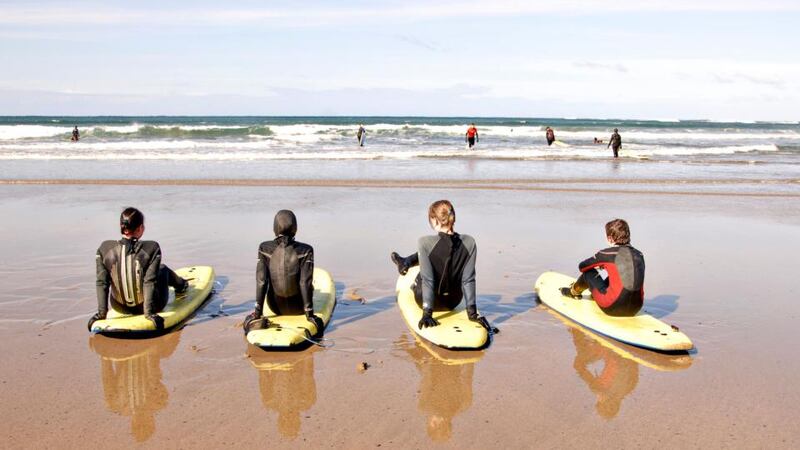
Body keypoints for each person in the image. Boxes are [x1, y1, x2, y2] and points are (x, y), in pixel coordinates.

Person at [390, 200, 497, 333]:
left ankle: (405, 262)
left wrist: (427, 314)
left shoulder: (424, 242)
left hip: (425, 300)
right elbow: (469, 279)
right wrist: (473, 314)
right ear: (454, 218)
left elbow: (428, 280)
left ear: (434, 220)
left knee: (425, 262)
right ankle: (405, 261)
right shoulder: (470, 242)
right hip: (453, 302)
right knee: (435, 255)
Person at [90, 207, 188, 331]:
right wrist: (149, 313)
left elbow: (102, 282)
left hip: (119, 307)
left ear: (121, 226)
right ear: (140, 227)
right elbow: (149, 281)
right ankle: (181, 285)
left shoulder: (104, 248)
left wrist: (101, 314)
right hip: (153, 306)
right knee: (162, 269)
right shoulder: (152, 247)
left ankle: (105, 310)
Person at [244, 210, 324, 334]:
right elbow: (305, 283)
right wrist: (310, 315)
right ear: (295, 228)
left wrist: (257, 314)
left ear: (275, 227)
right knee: (311, 285)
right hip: (299, 308)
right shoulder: (306, 250)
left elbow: (261, 282)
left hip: (275, 307)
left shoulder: (264, 248)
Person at [560, 219, 645, 316]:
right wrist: (606, 266)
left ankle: (573, 292)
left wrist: (601, 265)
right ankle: (595, 295)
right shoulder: (639, 255)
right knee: (624, 273)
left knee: (588, 273)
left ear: (610, 239)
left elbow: (582, 267)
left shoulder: (606, 253)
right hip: (636, 308)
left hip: (612, 307)